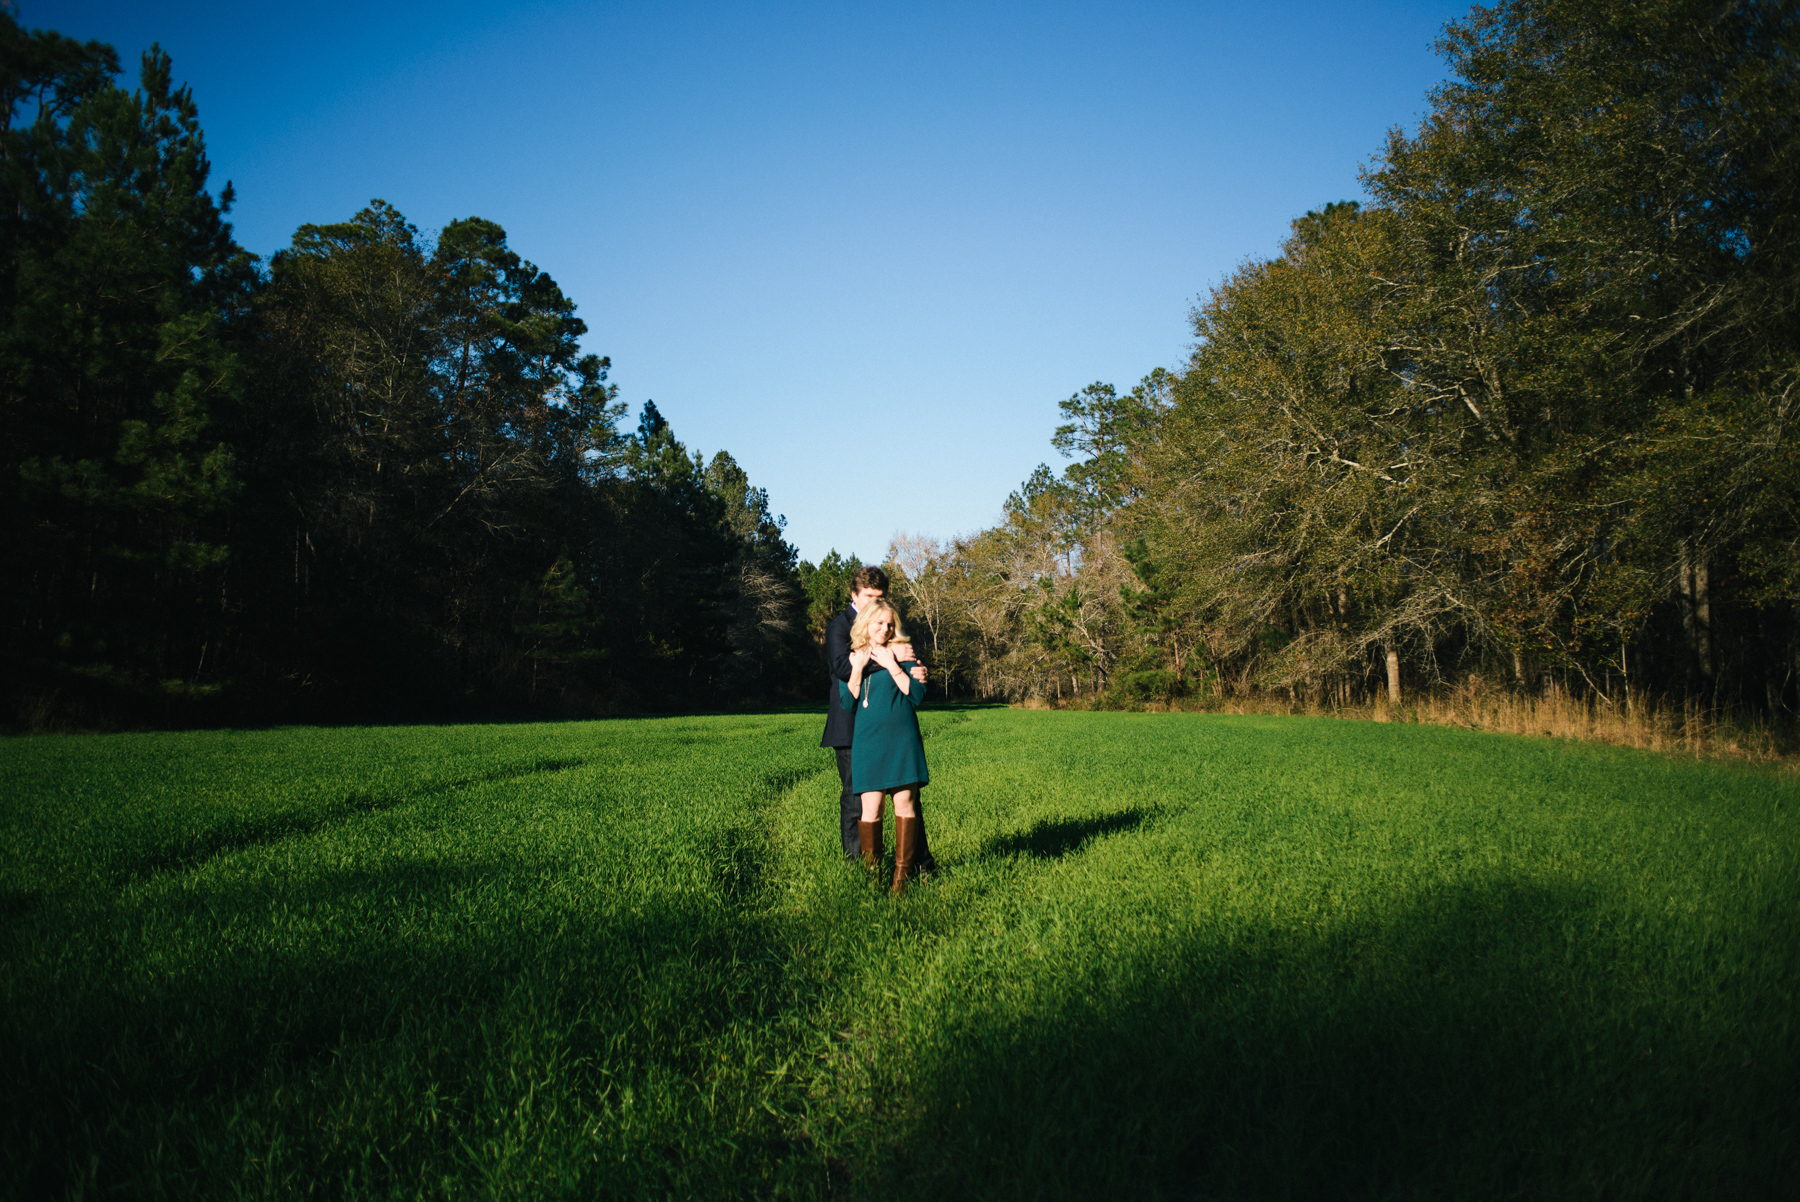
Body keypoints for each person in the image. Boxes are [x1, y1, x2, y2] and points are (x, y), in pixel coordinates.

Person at [819, 565, 935, 872]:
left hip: (891, 724)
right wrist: (890, 656)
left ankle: (918, 866)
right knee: (857, 800)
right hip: (851, 726)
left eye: (880, 597)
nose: (874, 603)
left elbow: (910, 670)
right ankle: (860, 867)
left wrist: (909, 666)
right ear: (855, 595)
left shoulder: (884, 624)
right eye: (869, 596)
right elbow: (844, 668)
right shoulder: (839, 627)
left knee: (906, 799)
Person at [842, 600, 930, 892]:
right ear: (865, 623)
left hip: (902, 740)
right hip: (868, 742)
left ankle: (902, 879)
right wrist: (857, 669)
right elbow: (847, 702)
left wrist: (893, 664)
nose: (885, 628)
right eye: (879, 623)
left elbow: (916, 695)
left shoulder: (904, 655)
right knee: (871, 810)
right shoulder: (855, 658)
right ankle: (872, 879)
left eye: (890, 624)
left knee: (904, 805)